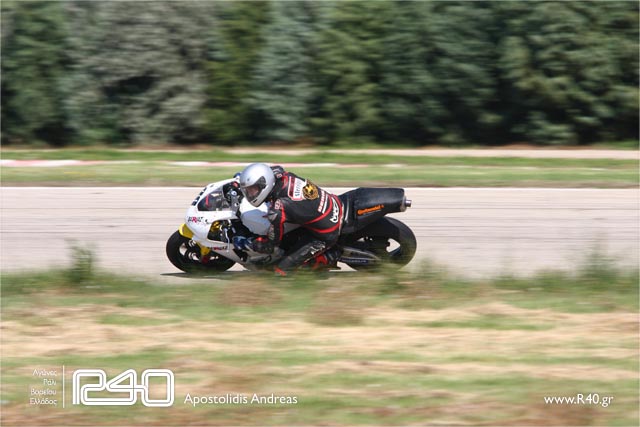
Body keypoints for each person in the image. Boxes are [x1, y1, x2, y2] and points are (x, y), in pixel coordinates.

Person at [232, 163, 343, 276]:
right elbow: (268, 170)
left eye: (252, 189)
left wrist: (250, 243)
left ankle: (324, 258)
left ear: (264, 186)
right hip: (333, 204)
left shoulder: (279, 209)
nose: (250, 193)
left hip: (325, 234)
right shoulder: (278, 173)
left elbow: (271, 245)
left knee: (280, 272)